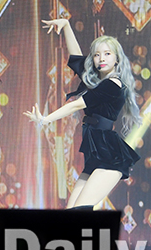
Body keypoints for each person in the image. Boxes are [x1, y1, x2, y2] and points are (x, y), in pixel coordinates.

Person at [24, 19, 140, 209]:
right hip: (96, 155)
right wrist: (66, 25)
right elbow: (77, 59)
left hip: (109, 157)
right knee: (71, 213)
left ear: (117, 59)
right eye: (97, 55)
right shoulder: (96, 81)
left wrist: (45, 119)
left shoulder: (113, 84)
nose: (101, 58)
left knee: (80, 211)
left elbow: (76, 105)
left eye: (107, 54)